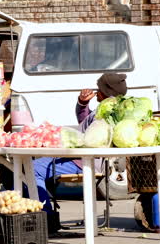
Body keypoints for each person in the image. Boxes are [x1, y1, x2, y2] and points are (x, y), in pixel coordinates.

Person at [33, 72, 127, 232]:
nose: (96, 92)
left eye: (99, 89)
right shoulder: (106, 109)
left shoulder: (109, 113)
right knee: (37, 165)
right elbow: (85, 121)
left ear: (104, 92)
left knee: (33, 168)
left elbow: (91, 140)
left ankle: (45, 217)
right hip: (79, 157)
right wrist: (82, 104)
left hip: (84, 160)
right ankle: (45, 212)